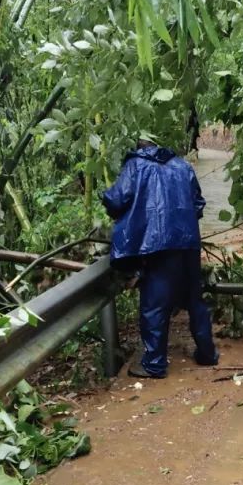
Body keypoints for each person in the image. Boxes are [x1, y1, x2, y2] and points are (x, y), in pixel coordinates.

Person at [101, 132, 219, 379]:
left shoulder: (135, 166)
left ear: (140, 147)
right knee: (195, 299)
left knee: (154, 305)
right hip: (188, 243)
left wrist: (105, 194)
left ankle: (154, 364)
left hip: (156, 244)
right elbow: (198, 204)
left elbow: (117, 200)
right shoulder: (182, 165)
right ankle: (208, 354)